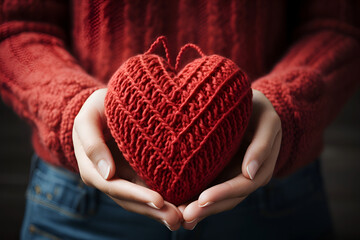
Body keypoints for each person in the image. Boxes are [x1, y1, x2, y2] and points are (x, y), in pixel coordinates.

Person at [0, 0, 359, 239]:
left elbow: (340, 24)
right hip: (81, 203)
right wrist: (68, 105)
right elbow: (14, 26)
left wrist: (286, 102)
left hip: (275, 196)